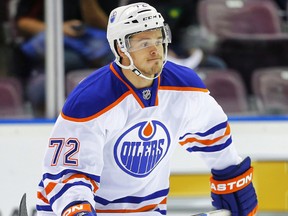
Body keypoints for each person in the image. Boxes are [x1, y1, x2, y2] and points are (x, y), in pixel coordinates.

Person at [36, 2, 258, 216]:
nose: (155, 50)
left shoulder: (185, 87)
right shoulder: (91, 99)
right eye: (144, 44)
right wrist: (78, 210)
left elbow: (214, 138)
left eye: (159, 40)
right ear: (120, 48)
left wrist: (232, 178)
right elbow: (67, 175)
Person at [13, 0, 117, 116]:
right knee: (66, 61)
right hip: (50, 49)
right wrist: (58, 29)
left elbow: (110, 27)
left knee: (105, 54)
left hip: (90, 44)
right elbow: (22, 22)